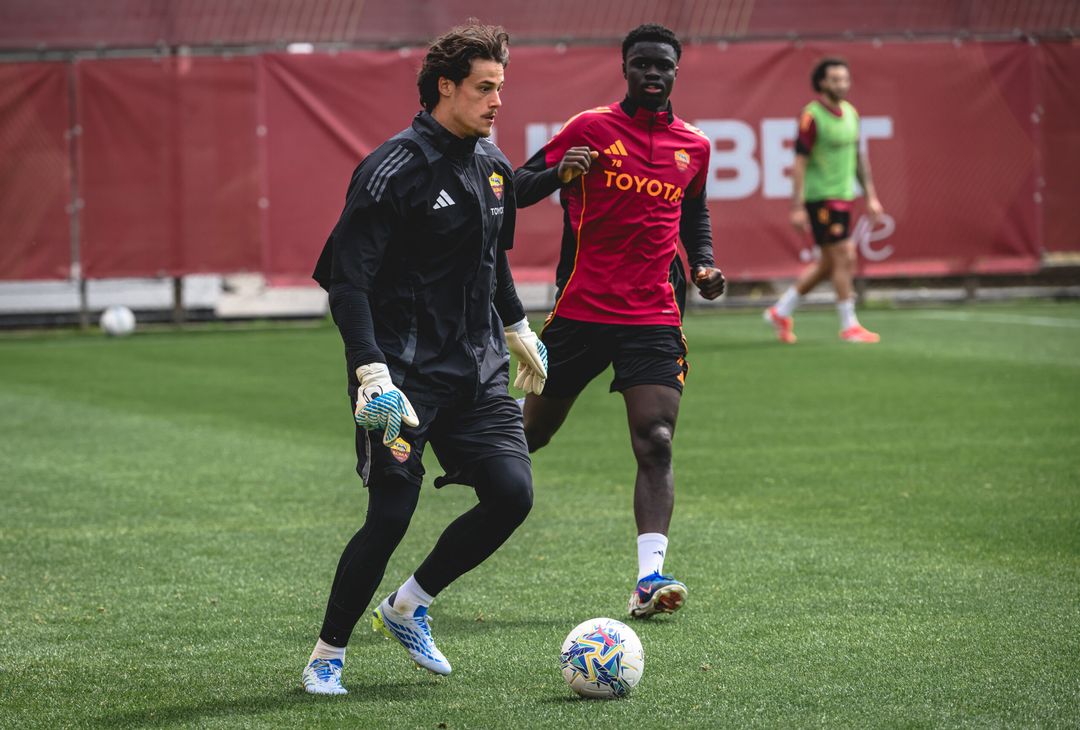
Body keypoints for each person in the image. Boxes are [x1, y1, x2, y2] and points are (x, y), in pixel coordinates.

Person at [301, 22, 548, 696]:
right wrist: (370, 372)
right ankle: (327, 654)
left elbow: (493, 259)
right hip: (401, 379)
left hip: (477, 373)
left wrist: (518, 327)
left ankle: (408, 605)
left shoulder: (494, 166)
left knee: (512, 494)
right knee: (390, 516)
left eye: (500, 87)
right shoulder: (392, 169)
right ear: (446, 86)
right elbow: (347, 282)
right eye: (485, 87)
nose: (498, 101)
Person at [513, 24, 725, 620]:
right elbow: (514, 188)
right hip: (581, 311)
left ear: (676, 71)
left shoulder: (694, 145)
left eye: (663, 65)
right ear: (625, 68)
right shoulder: (589, 128)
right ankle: (474, 459)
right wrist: (559, 173)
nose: (652, 73)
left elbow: (694, 212)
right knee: (532, 435)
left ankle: (649, 579)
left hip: (653, 314)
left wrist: (704, 262)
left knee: (656, 439)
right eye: (641, 64)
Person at [764, 57, 885, 344]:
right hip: (821, 199)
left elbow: (859, 158)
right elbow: (799, 163)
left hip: (845, 197)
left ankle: (781, 311)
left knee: (829, 264)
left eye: (845, 79)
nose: (842, 84)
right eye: (835, 80)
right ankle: (849, 325)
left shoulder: (851, 113)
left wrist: (871, 196)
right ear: (822, 83)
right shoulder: (812, 116)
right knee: (845, 255)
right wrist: (796, 206)